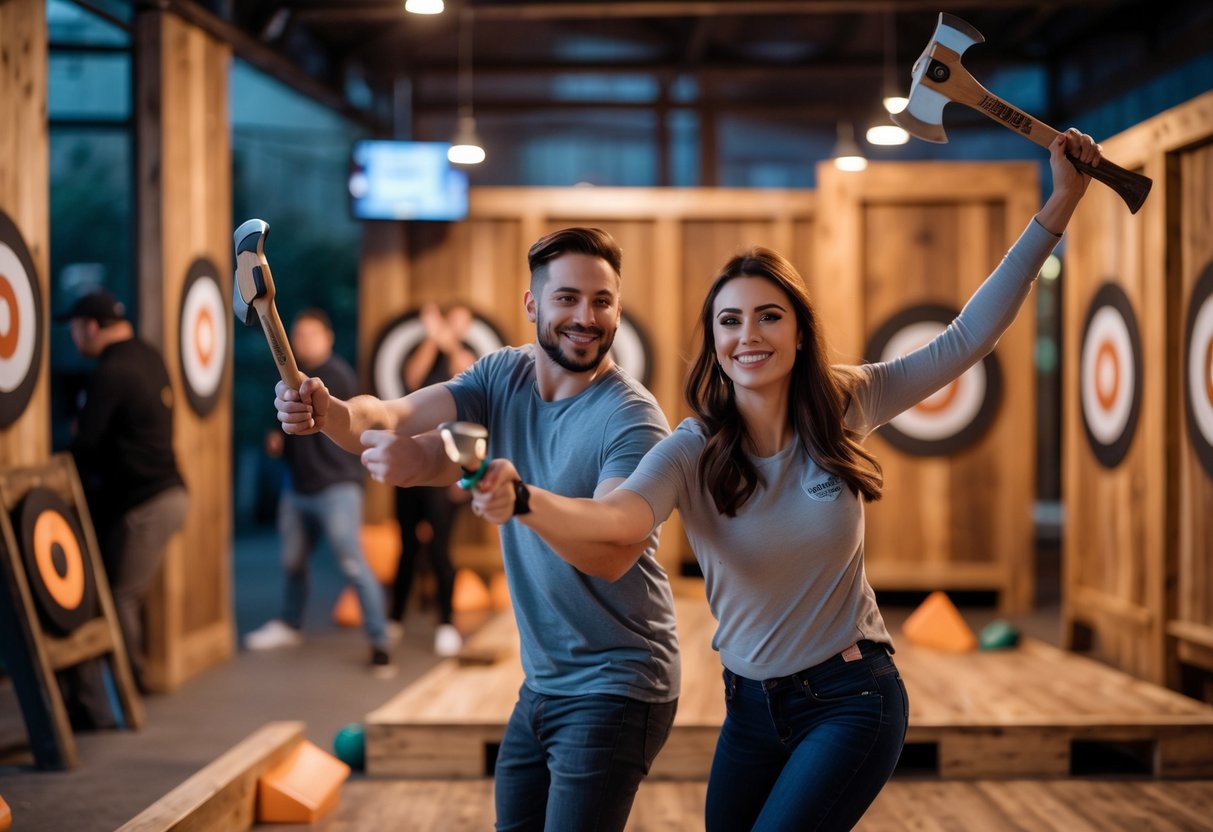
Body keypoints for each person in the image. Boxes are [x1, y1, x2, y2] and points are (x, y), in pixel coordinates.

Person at [470, 129, 1102, 831]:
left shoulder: (845, 401)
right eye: (730, 321)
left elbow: (965, 338)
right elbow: (619, 521)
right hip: (749, 709)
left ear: (798, 329)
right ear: (713, 339)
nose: (749, 336)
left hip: (851, 698)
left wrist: (1059, 205)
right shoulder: (691, 447)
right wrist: (525, 498)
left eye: (769, 316)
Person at [273, 228, 679, 831]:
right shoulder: (502, 376)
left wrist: (520, 501)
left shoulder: (633, 418)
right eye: (567, 298)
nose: (586, 317)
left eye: (602, 301)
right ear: (532, 304)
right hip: (543, 680)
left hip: (619, 680)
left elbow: (611, 553)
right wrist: (324, 412)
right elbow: (390, 415)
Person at [58, 288, 190, 722]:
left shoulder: (111, 371)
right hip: (170, 495)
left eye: (75, 329)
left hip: (148, 503)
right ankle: (127, 685)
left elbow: (86, 445)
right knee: (125, 594)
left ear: (91, 327)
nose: (75, 338)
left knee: (120, 598)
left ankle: (130, 689)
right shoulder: (147, 355)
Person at [245, 308, 395, 679]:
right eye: (298, 335)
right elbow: (289, 425)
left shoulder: (336, 377)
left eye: (311, 334)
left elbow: (352, 424)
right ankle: (291, 624)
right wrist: (278, 438)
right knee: (292, 562)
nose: (303, 341)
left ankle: (380, 643)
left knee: (353, 565)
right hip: (297, 488)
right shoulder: (290, 378)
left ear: (327, 337)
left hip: (336, 489)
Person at [390, 302, 476, 656]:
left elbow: (464, 372)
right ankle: (394, 617)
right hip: (413, 462)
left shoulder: (467, 356)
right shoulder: (423, 353)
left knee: (441, 548)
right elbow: (413, 378)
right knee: (407, 545)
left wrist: (449, 338)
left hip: (450, 464)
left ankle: (445, 622)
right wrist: (432, 338)